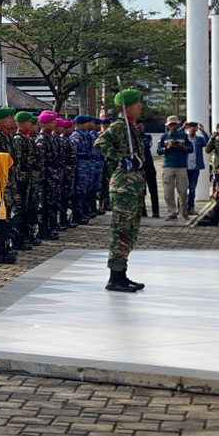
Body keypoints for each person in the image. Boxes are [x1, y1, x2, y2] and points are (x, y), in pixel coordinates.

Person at [94, 89, 147, 292]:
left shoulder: (131, 127)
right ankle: (114, 277)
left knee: (130, 231)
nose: (140, 106)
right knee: (122, 231)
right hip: (124, 185)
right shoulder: (119, 126)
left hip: (133, 185)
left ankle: (121, 274)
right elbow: (100, 142)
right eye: (137, 103)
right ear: (126, 107)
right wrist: (119, 157)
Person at [0, 107, 18, 264]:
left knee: (5, 215)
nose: (12, 120)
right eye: (8, 117)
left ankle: (5, 247)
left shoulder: (8, 136)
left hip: (8, 180)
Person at [156, 115, 193, 220]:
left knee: (183, 190)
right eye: (171, 124)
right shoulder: (164, 137)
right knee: (168, 191)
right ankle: (171, 212)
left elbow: (191, 149)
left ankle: (183, 212)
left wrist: (183, 147)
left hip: (181, 166)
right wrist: (167, 148)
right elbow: (158, 151)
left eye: (175, 124)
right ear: (168, 126)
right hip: (168, 166)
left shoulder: (183, 136)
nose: (173, 126)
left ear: (178, 125)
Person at [12, 111, 40, 250]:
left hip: (29, 178)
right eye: (28, 121)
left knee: (29, 207)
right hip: (22, 179)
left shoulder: (28, 138)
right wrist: (19, 180)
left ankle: (27, 235)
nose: (31, 124)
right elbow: (17, 162)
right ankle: (19, 238)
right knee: (21, 208)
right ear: (21, 123)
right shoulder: (18, 139)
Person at [35, 112, 62, 242]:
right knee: (44, 204)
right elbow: (40, 160)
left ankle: (50, 228)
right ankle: (43, 230)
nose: (54, 124)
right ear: (43, 124)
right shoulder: (41, 139)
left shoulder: (51, 138)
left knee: (52, 202)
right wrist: (42, 177)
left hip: (54, 175)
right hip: (47, 176)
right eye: (51, 122)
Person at [134, 119, 159, 218]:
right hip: (139, 166)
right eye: (137, 127)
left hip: (148, 165)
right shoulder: (132, 138)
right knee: (141, 190)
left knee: (153, 189)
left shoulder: (147, 137)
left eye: (140, 127)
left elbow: (145, 146)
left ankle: (155, 211)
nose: (139, 129)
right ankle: (142, 210)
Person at [184, 122, 209, 216]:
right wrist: (182, 128)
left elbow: (208, 142)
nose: (192, 131)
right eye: (191, 128)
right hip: (185, 167)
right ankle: (181, 207)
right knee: (182, 189)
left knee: (192, 189)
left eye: (194, 129)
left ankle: (191, 207)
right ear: (187, 129)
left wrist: (204, 132)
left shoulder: (199, 139)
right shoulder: (184, 138)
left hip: (195, 167)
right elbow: (176, 137)